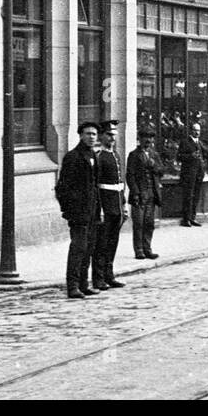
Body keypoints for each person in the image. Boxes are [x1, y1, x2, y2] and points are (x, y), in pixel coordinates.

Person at [57, 122, 102, 299]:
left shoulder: (94, 156)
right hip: (78, 212)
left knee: (89, 248)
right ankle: (73, 285)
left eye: (94, 134)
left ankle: (84, 284)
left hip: (92, 211)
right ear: (80, 135)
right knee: (78, 248)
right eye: (88, 134)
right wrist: (69, 210)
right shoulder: (73, 157)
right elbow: (63, 187)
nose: (91, 137)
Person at [91, 121, 127, 291]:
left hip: (117, 206)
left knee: (113, 242)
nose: (112, 138)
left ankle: (109, 275)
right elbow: (96, 186)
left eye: (114, 135)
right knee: (101, 244)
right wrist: (101, 209)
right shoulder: (99, 157)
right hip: (106, 206)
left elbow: (120, 183)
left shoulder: (116, 155)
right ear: (102, 136)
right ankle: (98, 279)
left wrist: (124, 206)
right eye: (109, 135)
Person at [126, 128, 163, 260]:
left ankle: (148, 248)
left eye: (150, 139)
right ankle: (139, 250)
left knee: (149, 223)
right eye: (145, 138)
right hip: (140, 194)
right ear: (140, 140)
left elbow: (161, 171)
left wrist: (154, 166)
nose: (148, 141)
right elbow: (130, 176)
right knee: (139, 223)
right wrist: (135, 193)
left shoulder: (154, 155)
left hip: (152, 194)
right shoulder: (133, 155)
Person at [178, 122, 208, 227]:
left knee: (196, 196)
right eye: (195, 130)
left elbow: (207, 154)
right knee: (188, 196)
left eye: (198, 131)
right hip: (188, 174)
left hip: (198, 174)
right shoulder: (185, 142)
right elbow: (179, 156)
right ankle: (186, 219)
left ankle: (192, 218)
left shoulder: (200, 143)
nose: (197, 132)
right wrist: (190, 156)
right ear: (191, 131)